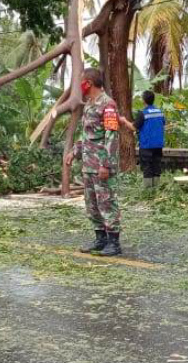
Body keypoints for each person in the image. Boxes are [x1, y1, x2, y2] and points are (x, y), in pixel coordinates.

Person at [64, 68, 123, 256]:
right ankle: (100, 239)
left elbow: (112, 136)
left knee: (107, 202)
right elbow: (86, 134)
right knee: (92, 204)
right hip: (89, 165)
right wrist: (75, 151)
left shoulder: (108, 105)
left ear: (88, 83)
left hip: (101, 165)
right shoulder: (89, 104)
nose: (79, 85)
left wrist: (105, 164)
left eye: (81, 81)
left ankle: (114, 242)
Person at [133, 90, 165, 188]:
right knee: (156, 167)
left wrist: (124, 121)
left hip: (146, 145)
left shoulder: (143, 113)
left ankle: (148, 192)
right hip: (158, 145)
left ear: (144, 100)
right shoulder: (160, 112)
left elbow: (134, 127)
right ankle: (156, 190)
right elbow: (163, 123)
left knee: (147, 168)